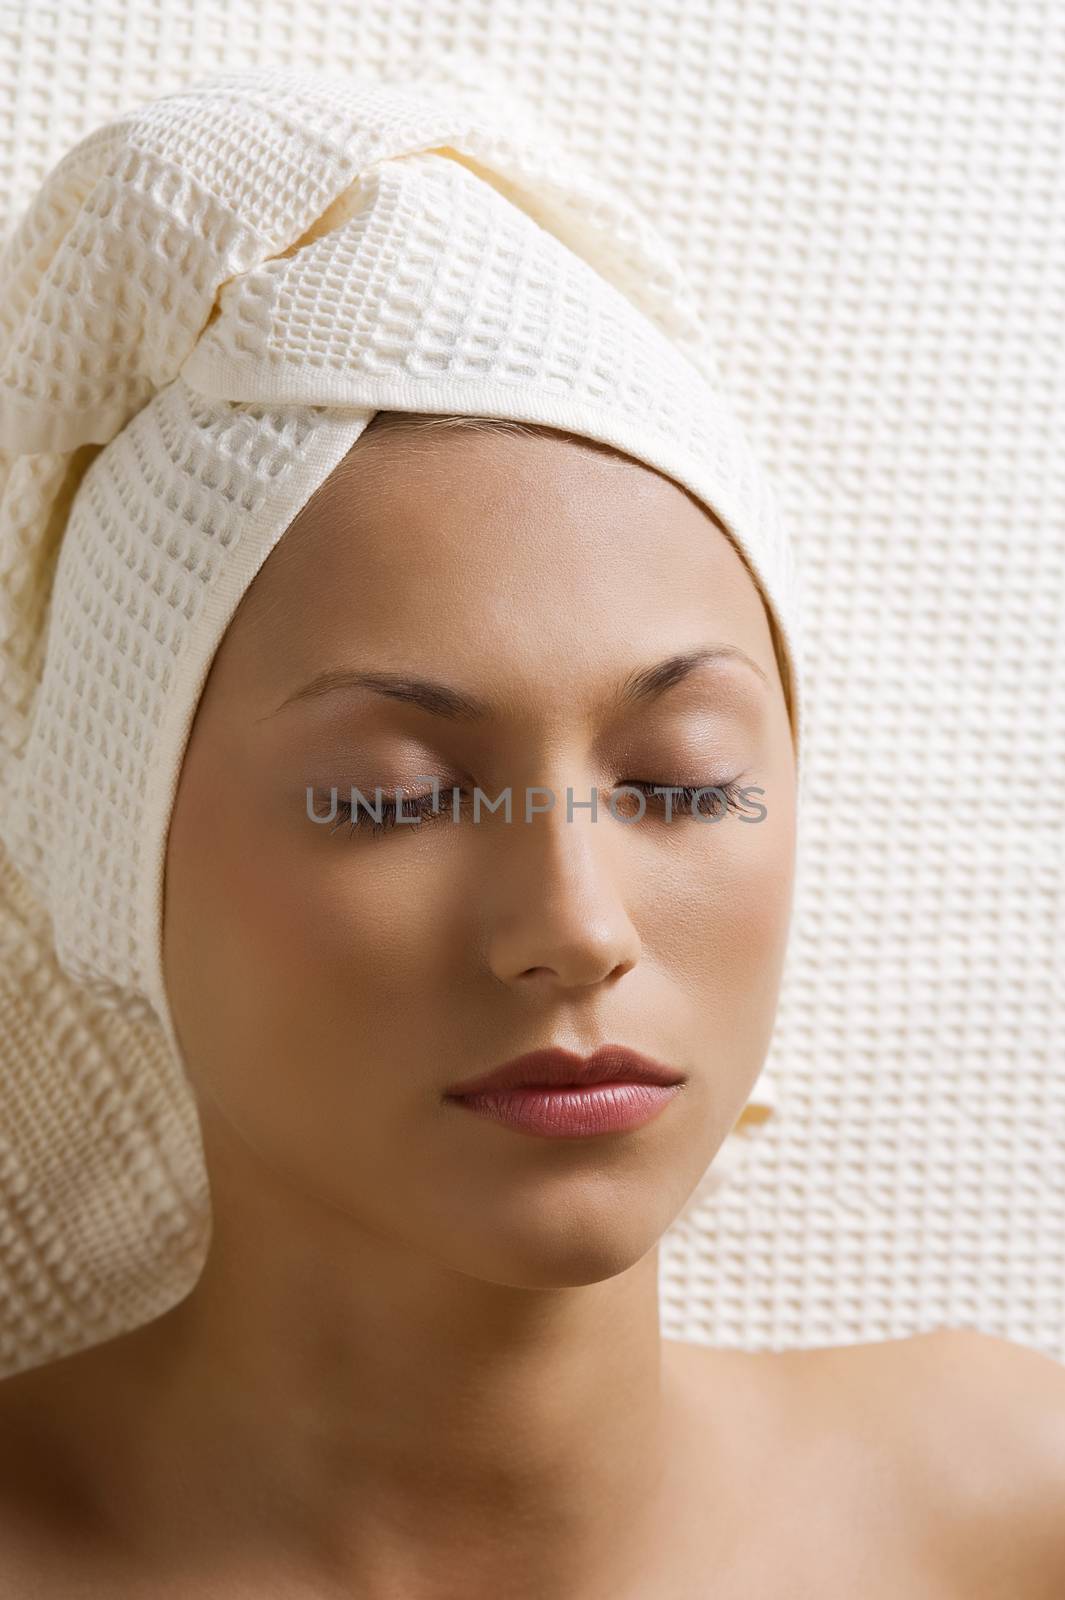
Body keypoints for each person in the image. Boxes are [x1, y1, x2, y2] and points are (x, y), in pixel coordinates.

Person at [1, 69, 1064, 1600]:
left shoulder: (1006, 1517)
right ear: (120, 854)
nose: (574, 923)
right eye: (388, 797)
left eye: (683, 785)